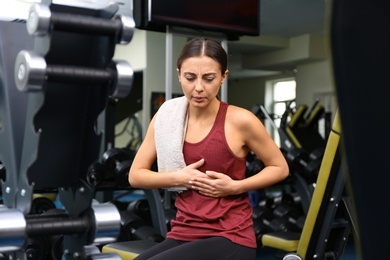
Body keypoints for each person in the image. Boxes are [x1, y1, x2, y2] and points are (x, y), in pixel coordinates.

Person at [128, 37, 289, 260]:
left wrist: (236, 187)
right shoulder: (166, 117)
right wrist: (179, 178)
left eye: (209, 78)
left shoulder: (242, 120)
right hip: (184, 231)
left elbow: (279, 167)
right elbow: (136, 176)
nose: (199, 88)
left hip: (230, 236)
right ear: (178, 75)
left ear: (223, 77)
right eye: (190, 78)